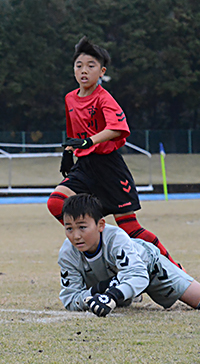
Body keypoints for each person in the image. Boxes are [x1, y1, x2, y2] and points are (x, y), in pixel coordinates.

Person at [47, 36, 182, 269]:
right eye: (79, 66)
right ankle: (98, 251)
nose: (84, 71)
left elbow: (118, 128)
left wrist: (89, 141)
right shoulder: (70, 98)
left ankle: (174, 269)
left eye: (91, 66)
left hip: (109, 167)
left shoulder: (103, 98)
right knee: (56, 203)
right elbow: (74, 134)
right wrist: (69, 151)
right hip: (85, 167)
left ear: (102, 72)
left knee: (131, 229)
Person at [58, 194, 199, 316]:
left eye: (82, 227)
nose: (76, 236)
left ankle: (127, 290)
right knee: (122, 290)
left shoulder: (116, 239)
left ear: (101, 225)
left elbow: (138, 275)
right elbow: (71, 299)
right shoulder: (67, 254)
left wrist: (112, 295)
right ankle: (129, 292)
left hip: (149, 266)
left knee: (197, 298)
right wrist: (100, 290)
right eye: (69, 228)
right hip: (118, 277)